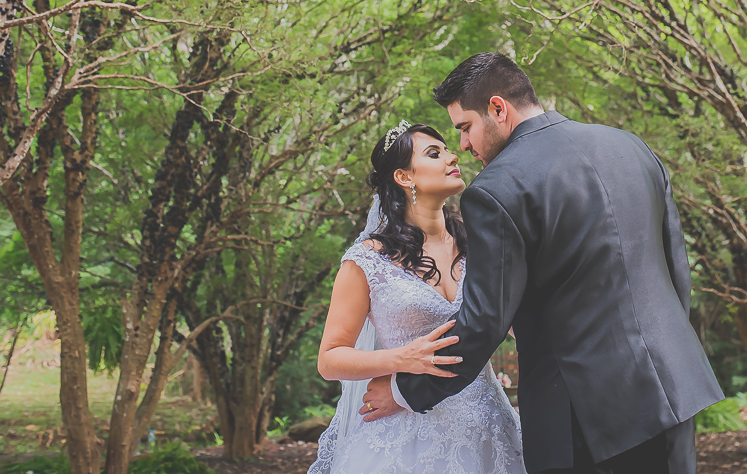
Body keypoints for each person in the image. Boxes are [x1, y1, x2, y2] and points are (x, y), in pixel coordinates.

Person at [359, 53, 724, 474]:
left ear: (498, 108)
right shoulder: (631, 146)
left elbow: (482, 325)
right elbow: (676, 271)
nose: (462, 145)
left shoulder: (496, 189)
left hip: (582, 417)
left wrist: (405, 391)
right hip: (675, 388)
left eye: (465, 127)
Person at [308, 121, 525, 474]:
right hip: (403, 434)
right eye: (434, 153)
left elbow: (512, 317)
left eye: (447, 150)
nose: (454, 155)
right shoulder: (367, 259)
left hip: (488, 426)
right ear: (404, 177)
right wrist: (401, 357)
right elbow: (330, 359)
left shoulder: (481, 244)